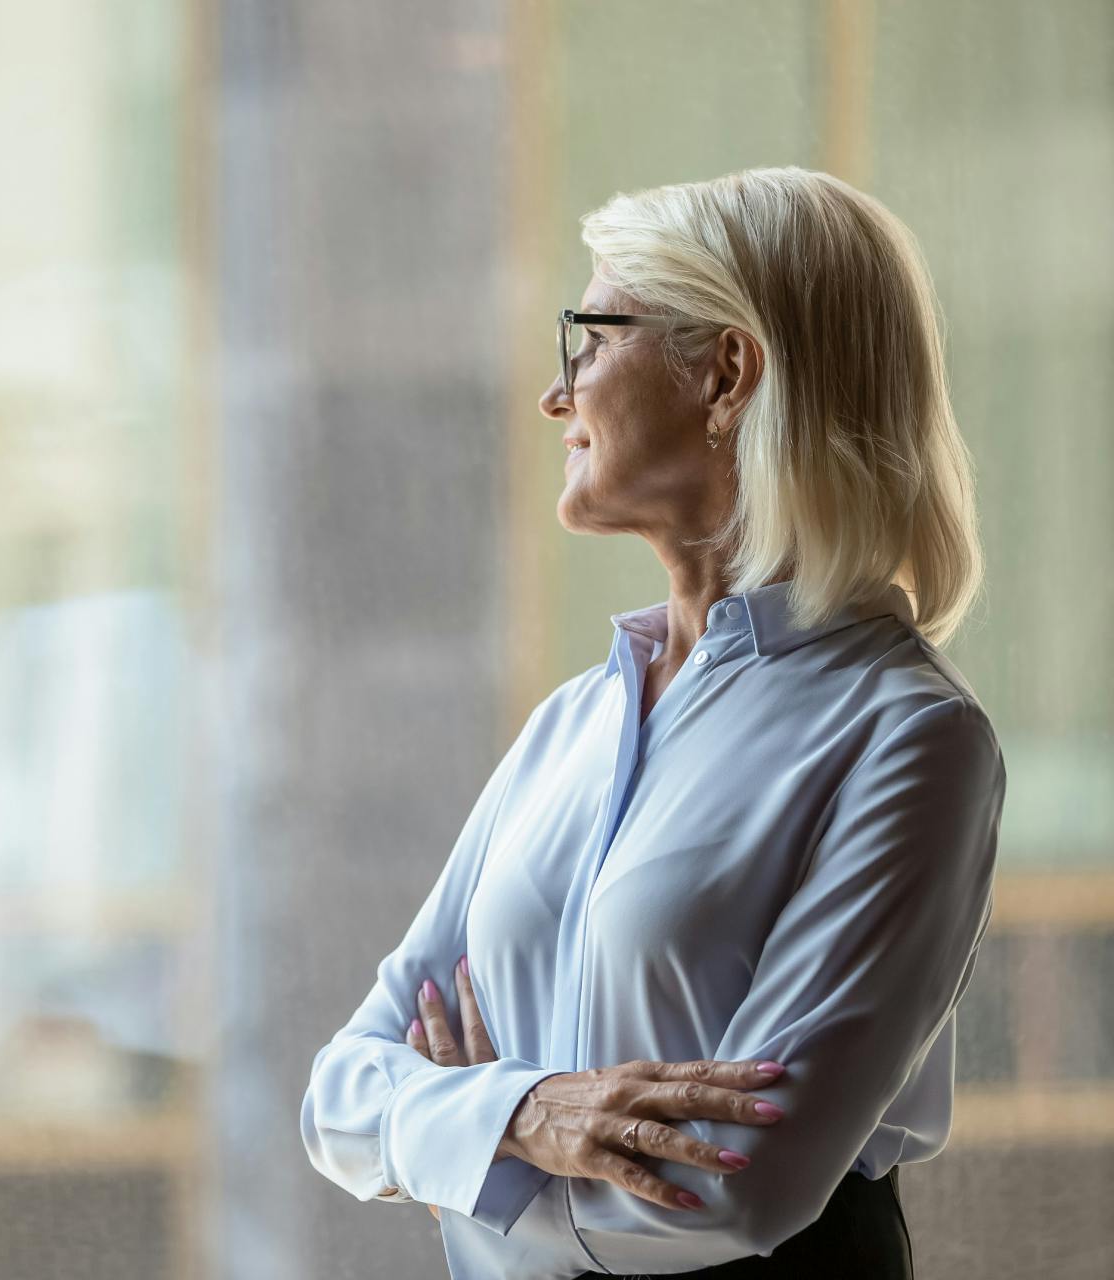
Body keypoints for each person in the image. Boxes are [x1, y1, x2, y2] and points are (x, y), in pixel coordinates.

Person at [300, 166, 1002, 1279]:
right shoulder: (568, 726)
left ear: (726, 376)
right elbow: (338, 1090)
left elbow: (728, 1189)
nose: (555, 393)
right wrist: (529, 1111)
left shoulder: (909, 738)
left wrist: (452, 1144)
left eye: (589, 334)